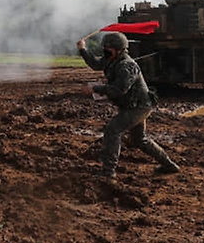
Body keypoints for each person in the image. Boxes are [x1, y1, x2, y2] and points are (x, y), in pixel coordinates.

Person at [77, 32, 180, 178]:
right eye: (105, 48)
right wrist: (83, 49)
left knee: (113, 130)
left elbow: (119, 90)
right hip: (132, 105)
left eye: (108, 48)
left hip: (139, 107)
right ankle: (169, 166)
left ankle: (108, 172)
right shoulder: (111, 59)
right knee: (140, 140)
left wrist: (95, 89)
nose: (105, 51)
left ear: (119, 50)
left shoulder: (127, 66)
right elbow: (95, 64)